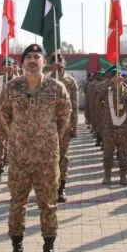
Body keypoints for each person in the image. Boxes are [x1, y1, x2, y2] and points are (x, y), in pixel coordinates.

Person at [0, 45, 71, 252]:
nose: (32, 60)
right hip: (19, 157)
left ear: (43, 62)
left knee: (48, 204)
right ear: (22, 63)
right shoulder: (12, 87)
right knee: (17, 203)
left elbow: (65, 116)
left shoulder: (56, 87)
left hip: (46, 157)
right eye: (28, 57)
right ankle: (17, 251)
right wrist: (18, 136)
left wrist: (48, 137)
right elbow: (4, 115)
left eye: (36, 56)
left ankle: (49, 251)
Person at [48, 53, 79, 202]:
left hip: (64, 125)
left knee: (62, 155)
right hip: (47, 125)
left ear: (65, 63)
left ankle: (62, 187)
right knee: (48, 156)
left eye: (61, 60)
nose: (59, 63)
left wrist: (74, 125)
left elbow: (74, 104)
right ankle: (49, 186)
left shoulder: (70, 81)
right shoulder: (45, 80)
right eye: (55, 61)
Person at [102, 69, 127, 185]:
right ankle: (107, 176)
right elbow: (98, 96)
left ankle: (123, 176)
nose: (118, 77)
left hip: (123, 128)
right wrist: (110, 82)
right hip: (109, 127)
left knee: (123, 154)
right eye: (116, 76)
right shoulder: (107, 89)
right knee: (108, 154)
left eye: (120, 75)